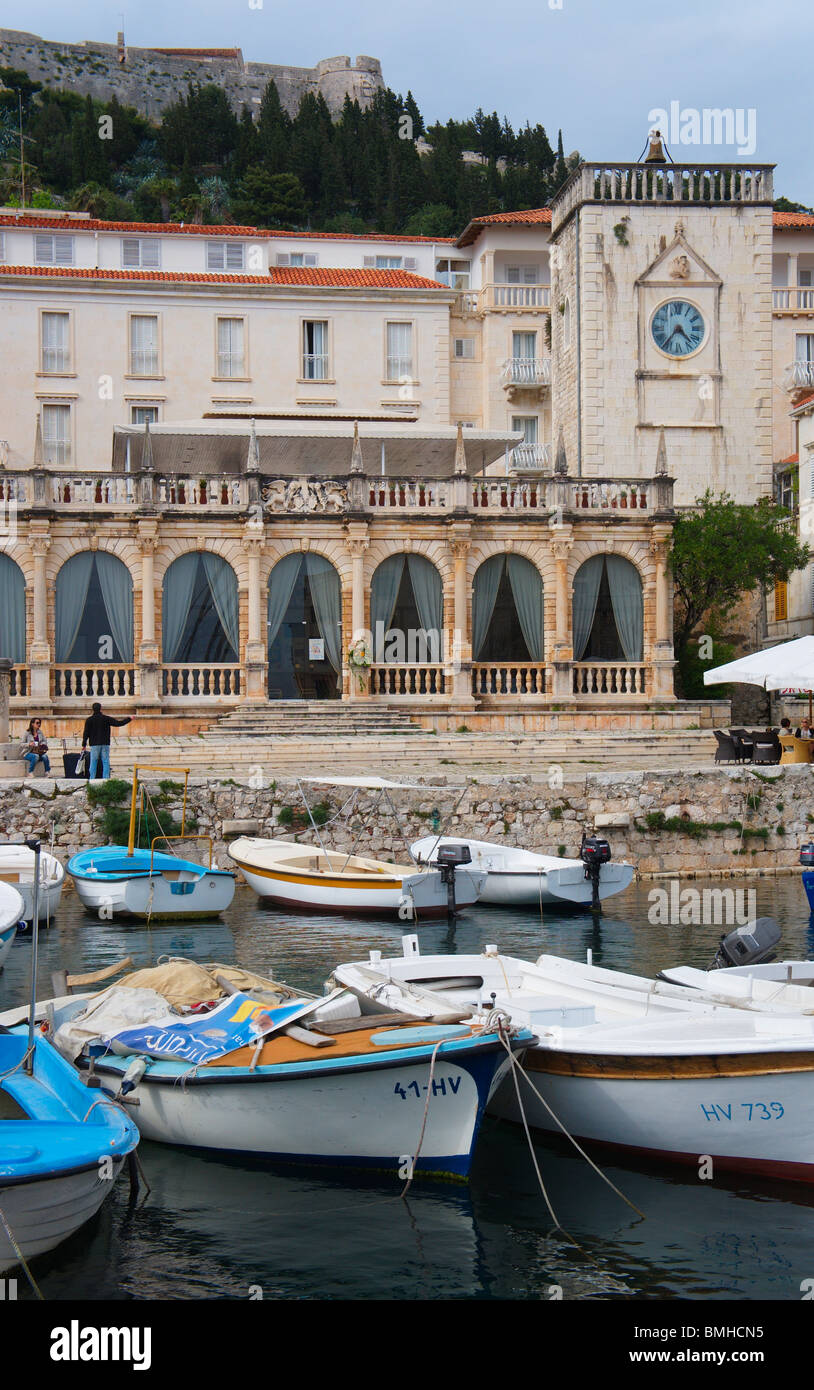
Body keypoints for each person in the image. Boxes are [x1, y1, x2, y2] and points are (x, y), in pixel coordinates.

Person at [81, 702, 133, 780]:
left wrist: (84, 745)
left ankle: (92, 779)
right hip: (105, 743)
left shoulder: (89, 720)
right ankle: (106, 779)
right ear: (101, 708)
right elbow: (118, 723)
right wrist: (129, 719)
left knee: (93, 762)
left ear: (93, 709)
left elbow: (86, 733)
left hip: (94, 744)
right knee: (105, 761)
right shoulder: (106, 718)